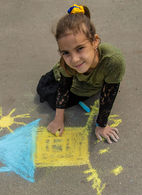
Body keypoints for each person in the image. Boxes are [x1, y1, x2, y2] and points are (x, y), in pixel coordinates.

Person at [37, 4, 125, 144]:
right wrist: (58, 119)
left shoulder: (112, 61)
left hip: (83, 87)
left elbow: (109, 94)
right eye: (66, 52)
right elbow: (64, 87)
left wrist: (101, 125)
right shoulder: (68, 62)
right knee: (43, 87)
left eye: (80, 48)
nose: (74, 59)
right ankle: (59, 71)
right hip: (68, 77)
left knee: (50, 97)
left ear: (95, 41)